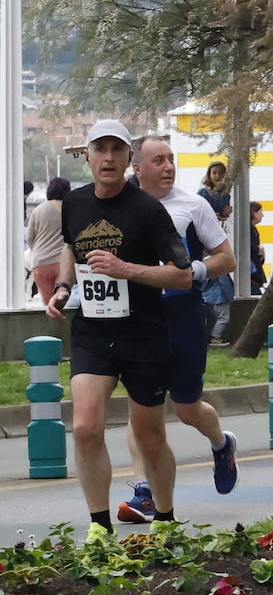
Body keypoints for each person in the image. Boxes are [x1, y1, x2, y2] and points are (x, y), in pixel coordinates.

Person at [44, 121, 192, 538]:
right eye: (100, 149)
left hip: (143, 332)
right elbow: (71, 246)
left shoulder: (146, 209)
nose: (108, 158)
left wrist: (126, 269)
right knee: (87, 426)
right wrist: (63, 287)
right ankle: (99, 527)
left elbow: (181, 276)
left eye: (116, 150)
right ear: (87, 156)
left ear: (129, 160)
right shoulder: (73, 204)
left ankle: (164, 519)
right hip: (92, 331)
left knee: (148, 435)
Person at [116, 135, 240, 523]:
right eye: (158, 160)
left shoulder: (192, 205)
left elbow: (228, 258)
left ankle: (221, 444)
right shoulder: (122, 208)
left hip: (184, 314)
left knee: (186, 408)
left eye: (171, 159)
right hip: (139, 318)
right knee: (140, 409)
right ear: (138, 168)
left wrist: (193, 272)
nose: (168, 167)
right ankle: (144, 491)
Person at [27, 177, 70, 305]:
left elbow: (30, 237)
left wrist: (38, 251)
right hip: (63, 264)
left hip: (40, 264)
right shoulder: (70, 209)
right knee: (62, 304)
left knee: (48, 305)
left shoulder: (38, 210)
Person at [249, 202, 267, 295]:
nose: (262, 215)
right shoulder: (249, 230)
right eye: (260, 212)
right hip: (251, 275)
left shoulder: (253, 229)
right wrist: (258, 250)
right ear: (254, 213)